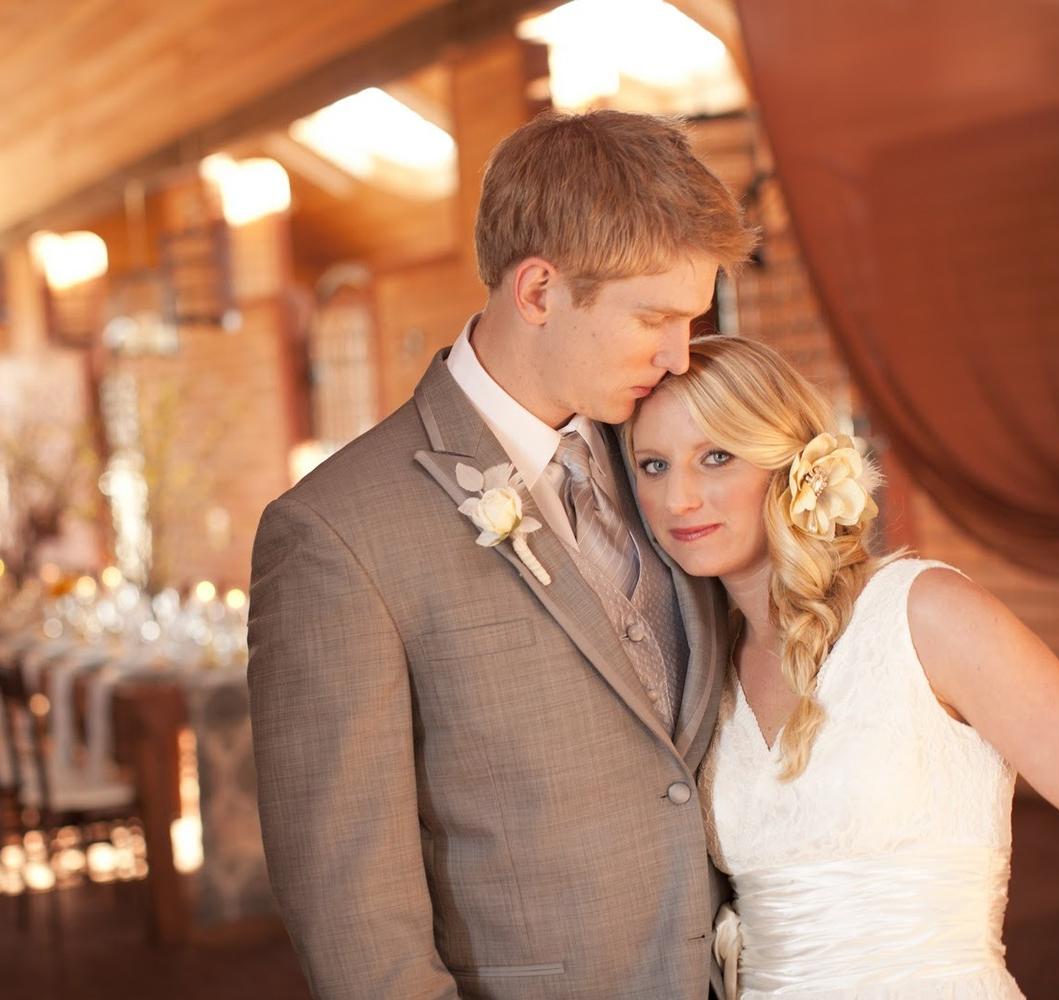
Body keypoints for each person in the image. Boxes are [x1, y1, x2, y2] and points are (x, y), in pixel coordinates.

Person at [247, 110, 756, 998]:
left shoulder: (668, 455)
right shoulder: (336, 535)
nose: (681, 358)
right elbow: (354, 913)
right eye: (655, 319)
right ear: (538, 292)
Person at [626, 334, 1059, 999]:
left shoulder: (923, 612)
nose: (679, 499)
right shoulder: (703, 669)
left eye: (716, 457)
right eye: (653, 465)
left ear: (792, 467)